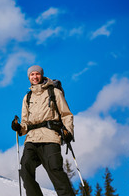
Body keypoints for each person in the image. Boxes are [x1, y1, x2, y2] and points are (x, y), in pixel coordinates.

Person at [11, 65, 75, 196]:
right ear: (29, 77)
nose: (35, 77)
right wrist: (19, 128)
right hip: (32, 139)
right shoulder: (27, 97)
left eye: (37, 74)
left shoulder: (54, 92)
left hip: (50, 136)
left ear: (42, 75)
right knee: (25, 168)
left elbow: (66, 114)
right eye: (32, 75)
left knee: (54, 169)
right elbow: (25, 123)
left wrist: (68, 131)